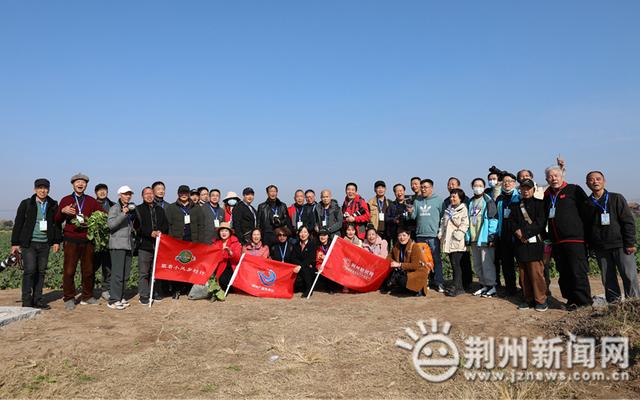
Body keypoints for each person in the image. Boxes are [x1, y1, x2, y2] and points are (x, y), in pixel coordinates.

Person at [585, 171, 639, 303]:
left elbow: (628, 221)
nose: (595, 182)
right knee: (608, 278)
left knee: (629, 275)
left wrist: (630, 242)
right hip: (601, 247)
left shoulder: (616, 198)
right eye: (591, 180)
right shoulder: (587, 203)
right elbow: (587, 227)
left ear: (604, 181)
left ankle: (634, 305)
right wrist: (591, 246)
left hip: (620, 245)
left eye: (598, 179)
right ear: (587, 184)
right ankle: (614, 306)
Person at [544, 165, 592, 309]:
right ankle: (571, 300)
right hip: (557, 242)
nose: (553, 179)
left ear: (562, 176)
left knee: (578, 272)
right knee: (563, 273)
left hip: (575, 240)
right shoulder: (547, 194)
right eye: (550, 177)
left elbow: (586, 211)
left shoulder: (574, 189)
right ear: (547, 179)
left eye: (556, 175)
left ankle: (584, 303)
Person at [11, 178, 62, 309]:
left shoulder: (53, 204)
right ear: (35, 189)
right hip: (29, 243)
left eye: (45, 188)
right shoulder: (27, 203)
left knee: (41, 271)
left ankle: (38, 300)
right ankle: (27, 301)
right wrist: (15, 243)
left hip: (45, 243)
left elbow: (57, 224)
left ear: (49, 190)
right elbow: (18, 223)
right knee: (30, 270)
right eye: (40, 188)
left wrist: (57, 241)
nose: (43, 190)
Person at [54, 173, 101, 310]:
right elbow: (57, 220)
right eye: (77, 182)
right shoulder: (66, 200)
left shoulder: (92, 201)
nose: (80, 184)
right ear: (73, 184)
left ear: (86, 185)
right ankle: (69, 297)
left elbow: (102, 215)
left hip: (87, 240)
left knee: (88, 270)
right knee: (69, 270)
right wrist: (62, 211)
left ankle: (87, 296)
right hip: (71, 239)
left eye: (83, 182)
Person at [509, 179, 548, 311]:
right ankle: (528, 299)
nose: (525, 191)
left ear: (533, 189)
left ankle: (540, 300)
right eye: (523, 188)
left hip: (534, 243)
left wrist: (525, 233)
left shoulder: (540, 204)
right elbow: (512, 221)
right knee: (523, 273)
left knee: (536, 273)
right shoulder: (515, 206)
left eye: (528, 188)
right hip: (520, 244)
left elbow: (540, 223)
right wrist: (518, 233)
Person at [408, 179, 445, 292]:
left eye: (425, 187)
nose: (423, 189)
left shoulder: (439, 200)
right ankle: (424, 282)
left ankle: (439, 283)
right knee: (422, 261)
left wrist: (440, 232)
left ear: (431, 188)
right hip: (420, 235)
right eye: (422, 187)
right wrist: (410, 212)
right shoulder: (417, 201)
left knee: (436, 259)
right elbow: (413, 217)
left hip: (433, 236)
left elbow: (443, 217)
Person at [465, 178, 499, 298]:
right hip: (474, 238)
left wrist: (491, 236)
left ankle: (492, 286)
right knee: (477, 264)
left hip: (484, 238)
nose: (477, 187)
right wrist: (468, 236)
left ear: (484, 187)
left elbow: (493, 219)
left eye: (480, 185)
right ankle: (483, 284)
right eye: (475, 185)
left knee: (487, 263)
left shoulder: (488, 201)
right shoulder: (471, 202)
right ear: (472, 187)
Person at [106, 186, 139, 310]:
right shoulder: (115, 208)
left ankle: (120, 296)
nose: (128, 196)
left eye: (129, 194)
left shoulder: (131, 208)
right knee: (117, 274)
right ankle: (113, 300)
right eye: (125, 194)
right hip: (118, 245)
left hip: (128, 244)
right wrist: (123, 214)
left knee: (125, 274)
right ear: (120, 195)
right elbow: (111, 225)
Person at [164, 184, 199, 298]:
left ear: (189, 194)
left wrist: (200, 241)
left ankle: (188, 288)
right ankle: (176, 289)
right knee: (177, 266)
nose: (184, 195)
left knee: (190, 266)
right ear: (178, 194)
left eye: (186, 193)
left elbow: (201, 225)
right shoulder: (171, 207)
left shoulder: (196, 208)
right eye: (181, 193)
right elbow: (167, 225)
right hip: (176, 242)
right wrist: (170, 240)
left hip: (192, 241)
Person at [136, 186, 168, 304]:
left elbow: (165, 225)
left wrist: (160, 231)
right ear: (142, 196)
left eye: (151, 193)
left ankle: (155, 292)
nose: (149, 196)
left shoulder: (160, 209)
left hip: (158, 245)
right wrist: (150, 233)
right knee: (144, 272)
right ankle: (144, 295)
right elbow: (137, 227)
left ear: (154, 195)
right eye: (146, 194)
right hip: (145, 245)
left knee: (156, 271)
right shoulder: (138, 209)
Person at [438, 189, 469, 297]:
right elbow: (443, 223)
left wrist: (458, 234)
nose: (452, 199)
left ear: (460, 198)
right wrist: (440, 233)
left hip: (457, 241)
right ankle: (457, 285)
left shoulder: (463, 209)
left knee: (457, 264)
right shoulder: (448, 209)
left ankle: (458, 286)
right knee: (453, 264)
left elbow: (465, 224)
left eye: (454, 197)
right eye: (451, 197)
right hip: (448, 241)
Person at [443, 178, 472, 290]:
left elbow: (466, 222)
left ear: (459, 185)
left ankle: (465, 283)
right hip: (450, 238)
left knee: (463, 262)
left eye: (453, 184)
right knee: (455, 263)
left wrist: (459, 234)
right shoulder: (447, 203)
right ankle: (458, 284)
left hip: (461, 238)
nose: (450, 186)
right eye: (449, 184)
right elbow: (444, 221)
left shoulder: (466, 202)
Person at [382, 227, 429, 296]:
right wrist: (394, 263)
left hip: (417, 271)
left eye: (404, 235)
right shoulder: (396, 246)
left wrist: (399, 265)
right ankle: (405, 288)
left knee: (401, 279)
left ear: (409, 236)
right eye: (399, 235)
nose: (402, 238)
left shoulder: (415, 247)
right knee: (394, 276)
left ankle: (418, 289)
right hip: (404, 270)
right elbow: (388, 257)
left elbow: (414, 266)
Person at [495, 172, 520, 296]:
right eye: (504, 181)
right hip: (504, 236)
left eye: (510, 181)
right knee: (507, 264)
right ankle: (511, 289)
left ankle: (525, 289)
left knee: (521, 264)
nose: (507, 183)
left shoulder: (519, 196)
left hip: (518, 237)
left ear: (514, 183)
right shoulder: (499, 198)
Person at [93, 183, 115, 300]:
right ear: (96, 193)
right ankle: (89, 289)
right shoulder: (91, 204)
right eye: (99, 191)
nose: (102, 192)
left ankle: (105, 290)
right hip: (95, 242)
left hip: (109, 241)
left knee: (108, 267)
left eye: (104, 190)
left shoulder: (113, 205)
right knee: (92, 266)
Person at [211, 222, 242, 293]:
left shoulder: (235, 242)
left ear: (229, 232)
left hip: (231, 267)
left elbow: (238, 259)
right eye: (222, 231)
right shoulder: (216, 243)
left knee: (228, 281)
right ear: (219, 233)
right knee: (222, 280)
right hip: (219, 268)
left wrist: (230, 252)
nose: (224, 233)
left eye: (226, 231)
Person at [291, 226, 317, 297]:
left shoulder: (312, 245)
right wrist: (299, 265)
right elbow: (293, 258)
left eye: (305, 232)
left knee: (306, 269)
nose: (303, 234)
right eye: (301, 232)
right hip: (298, 267)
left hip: (308, 267)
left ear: (308, 234)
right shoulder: (295, 245)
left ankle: (309, 289)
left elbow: (310, 258)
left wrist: (301, 266)